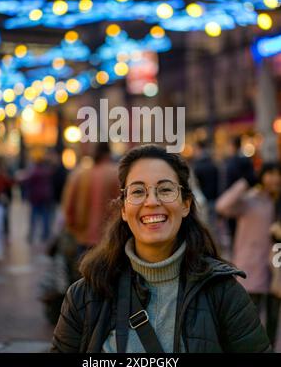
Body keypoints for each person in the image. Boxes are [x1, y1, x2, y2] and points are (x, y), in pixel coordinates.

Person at [51, 145, 271, 353]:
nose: (152, 201)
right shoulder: (86, 295)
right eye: (138, 192)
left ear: (185, 204)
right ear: (124, 209)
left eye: (165, 189)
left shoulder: (223, 293)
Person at [216, 162, 281, 349]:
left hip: (275, 270)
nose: (275, 178)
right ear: (262, 176)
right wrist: (245, 182)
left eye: (278, 174)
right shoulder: (250, 200)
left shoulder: (277, 202)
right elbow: (222, 205)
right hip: (251, 268)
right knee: (248, 318)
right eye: (270, 173)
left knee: (273, 320)